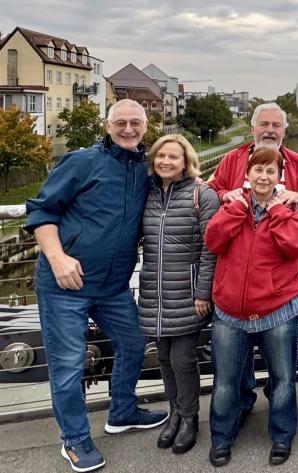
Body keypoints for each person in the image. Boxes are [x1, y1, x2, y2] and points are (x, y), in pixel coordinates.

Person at [24, 99, 168, 472]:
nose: (128, 129)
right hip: (64, 284)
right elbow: (42, 210)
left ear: (146, 126)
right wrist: (57, 257)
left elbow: (180, 181)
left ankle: (122, 411)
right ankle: (73, 440)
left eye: (135, 122)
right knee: (68, 364)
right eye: (120, 122)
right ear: (107, 125)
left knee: (134, 341)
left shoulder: (144, 168)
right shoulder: (82, 161)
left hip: (113, 286)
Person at [207, 102, 298, 423]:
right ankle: (242, 403)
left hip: (281, 281)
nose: (270, 130)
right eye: (264, 125)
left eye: (276, 125)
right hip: (236, 282)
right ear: (253, 128)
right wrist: (225, 197)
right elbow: (211, 192)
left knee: (280, 366)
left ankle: (277, 412)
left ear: (285, 131)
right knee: (234, 367)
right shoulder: (232, 159)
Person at [205, 148, 298, 467]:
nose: (263, 176)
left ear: (279, 177)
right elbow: (213, 241)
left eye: (270, 171)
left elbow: (296, 246)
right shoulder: (233, 206)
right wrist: (236, 211)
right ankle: (222, 437)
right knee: (225, 382)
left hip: (277, 311)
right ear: (247, 175)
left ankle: (282, 435)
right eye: (258, 170)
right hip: (230, 313)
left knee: (282, 380)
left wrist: (277, 212)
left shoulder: (290, 209)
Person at [138, 134, 219, 454]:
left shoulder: (203, 194)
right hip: (155, 292)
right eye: (161, 156)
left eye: (173, 157)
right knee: (164, 359)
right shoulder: (149, 194)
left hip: (188, 292)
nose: (166, 162)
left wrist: (203, 293)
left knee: (183, 359)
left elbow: (211, 250)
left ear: (186, 161)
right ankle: (174, 413)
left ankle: (189, 418)